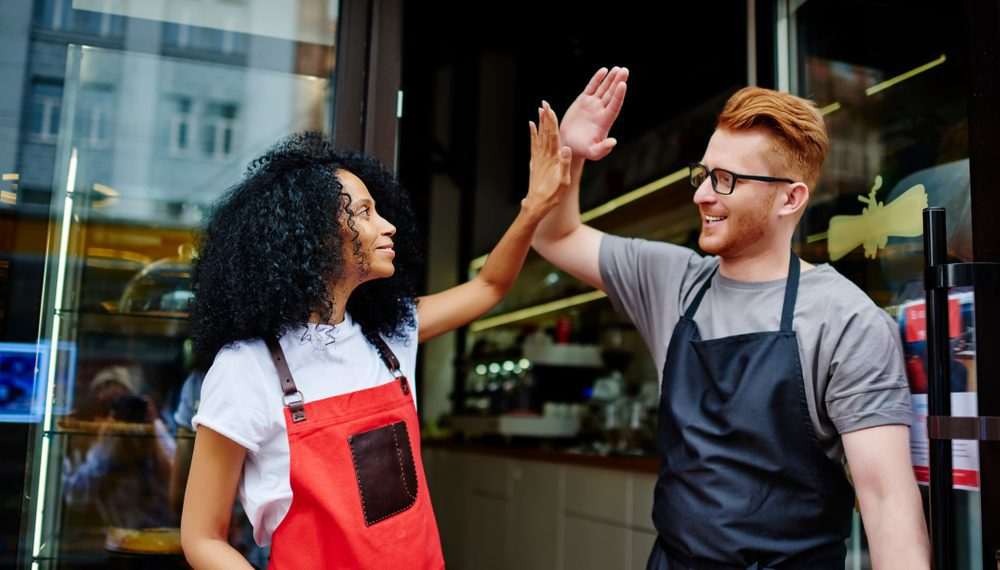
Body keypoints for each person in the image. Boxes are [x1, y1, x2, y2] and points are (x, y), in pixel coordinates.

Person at [532, 67, 930, 569]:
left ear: (790, 198)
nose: (702, 194)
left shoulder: (846, 321)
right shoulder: (672, 282)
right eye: (704, 174)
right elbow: (555, 237)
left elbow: (886, 502)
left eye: (727, 180)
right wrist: (569, 156)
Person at [180, 105, 571, 569]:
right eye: (364, 212)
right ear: (315, 236)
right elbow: (202, 537)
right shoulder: (247, 368)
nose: (388, 226)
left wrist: (533, 209)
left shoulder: (387, 337)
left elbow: (489, 285)